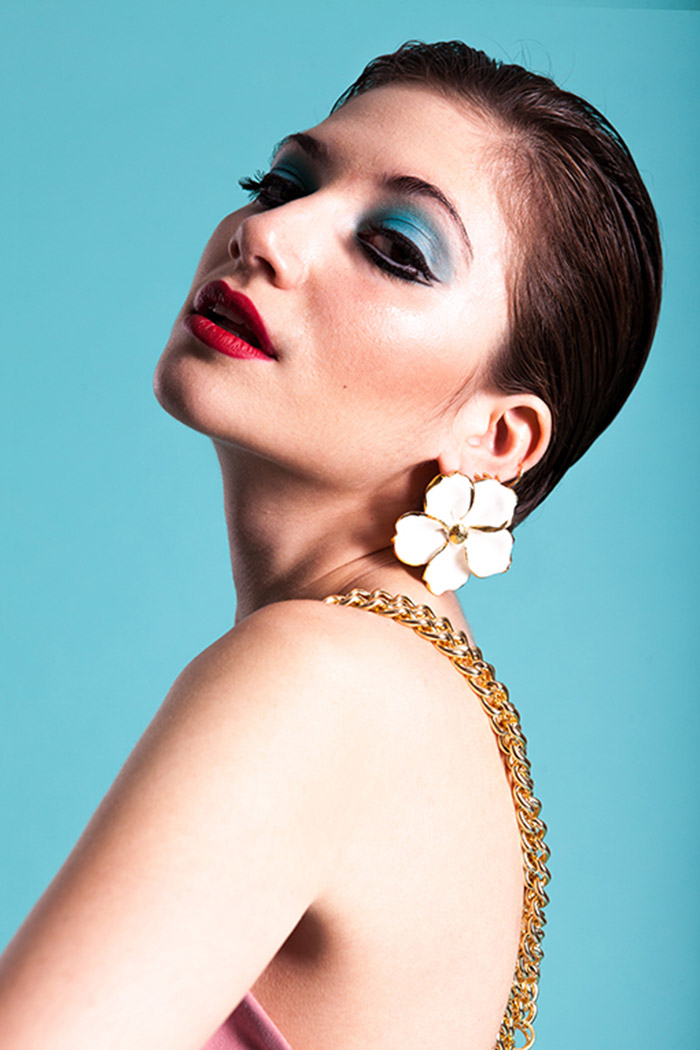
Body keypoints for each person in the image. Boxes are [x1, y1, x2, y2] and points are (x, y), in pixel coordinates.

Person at [0, 39, 661, 1050]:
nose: (265, 235)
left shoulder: (317, 682)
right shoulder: (428, 706)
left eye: (395, 248)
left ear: (496, 438)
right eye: (281, 184)